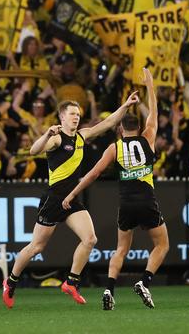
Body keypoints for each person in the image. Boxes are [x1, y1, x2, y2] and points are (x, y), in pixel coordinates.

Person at [1, 91, 140, 309]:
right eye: (72, 114)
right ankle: (10, 282)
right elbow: (33, 150)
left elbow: (109, 122)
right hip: (54, 199)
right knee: (36, 247)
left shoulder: (82, 135)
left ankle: (71, 282)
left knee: (90, 239)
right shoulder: (56, 138)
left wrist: (126, 105)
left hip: (71, 198)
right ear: (62, 118)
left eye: (78, 114)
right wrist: (46, 134)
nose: (76, 117)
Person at [62, 68, 169, 310]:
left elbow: (94, 174)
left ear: (120, 130)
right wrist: (150, 84)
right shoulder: (148, 137)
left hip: (126, 204)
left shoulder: (114, 148)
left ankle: (109, 289)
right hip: (147, 200)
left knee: (121, 248)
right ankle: (144, 282)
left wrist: (71, 194)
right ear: (138, 127)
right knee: (162, 245)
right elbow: (154, 111)